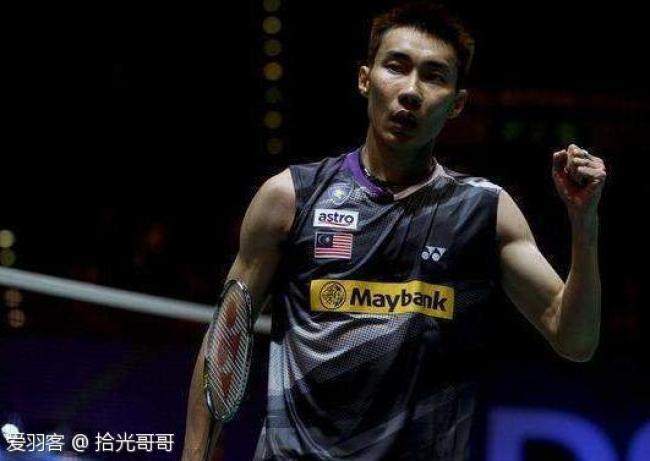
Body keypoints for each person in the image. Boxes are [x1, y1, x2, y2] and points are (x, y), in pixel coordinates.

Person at [181, 2, 606, 460]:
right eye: (396, 67)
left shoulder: (485, 211)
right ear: (365, 79)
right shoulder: (290, 198)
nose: (411, 91)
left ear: (457, 104)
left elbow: (575, 339)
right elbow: (226, 339)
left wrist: (584, 222)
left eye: (434, 76)